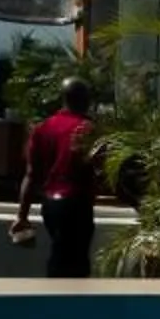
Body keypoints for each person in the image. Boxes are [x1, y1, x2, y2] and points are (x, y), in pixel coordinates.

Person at [15, 78, 100, 279]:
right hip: (77, 202)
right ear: (86, 101)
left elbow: (31, 174)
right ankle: (68, 303)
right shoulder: (87, 129)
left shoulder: (43, 128)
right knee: (76, 261)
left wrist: (22, 216)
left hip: (50, 205)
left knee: (60, 252)